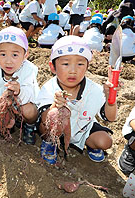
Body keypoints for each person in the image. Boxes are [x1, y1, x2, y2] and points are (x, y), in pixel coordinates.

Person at [36, 35, 118, 164]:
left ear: (87, 66)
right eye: (66, 64)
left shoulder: (94, 89)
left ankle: (89, 143)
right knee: (54, 116)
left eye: (80, 64)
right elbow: (43, 120)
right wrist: (55, 106)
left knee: (105, 141)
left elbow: (110, 118)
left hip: (82, 128)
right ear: (53, 67)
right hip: (55, 129)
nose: (73, 71)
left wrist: (110, 99)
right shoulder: (48, 88)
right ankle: (50, 143)